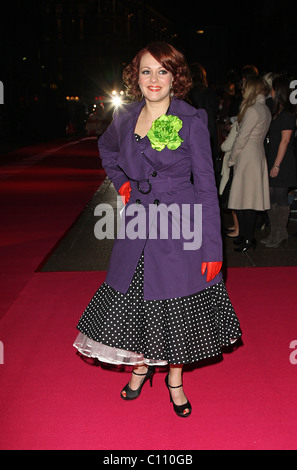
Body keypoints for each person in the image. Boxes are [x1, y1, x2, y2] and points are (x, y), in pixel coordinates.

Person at [73, 42, 241, 418]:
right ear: (136, 76)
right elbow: (107, 150)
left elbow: (205, 187)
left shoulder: (193, 120)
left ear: (175, 77)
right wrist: (120, 182)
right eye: (146, 71)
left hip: (181, 224)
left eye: (162, 71)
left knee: (176, 305)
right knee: (135, 301)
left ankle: (174, 380)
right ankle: (141, 367)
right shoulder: (125, 118)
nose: (154, 79)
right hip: (138, 223)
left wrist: (213, 247)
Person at [228, 76, 271, 252]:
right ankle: (245, 236)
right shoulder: (264, 108)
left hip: (247, 156)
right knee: (247, 199)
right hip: (256, 154)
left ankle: (247, 238)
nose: (242, 90)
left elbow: (242, 137)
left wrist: (231, 157)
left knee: (245, 201)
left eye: (245, 87)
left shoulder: (253, 110)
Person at [261, 75, 297, 248]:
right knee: (270, 196)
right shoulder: (277, 112)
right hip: (273, 158)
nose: (271, 92)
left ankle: (279, 233)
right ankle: (275, 232)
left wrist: (276, 165)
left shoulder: (288, 115)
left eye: (273, 89)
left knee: (280, 197)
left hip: (283, 162)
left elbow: (285, 141)